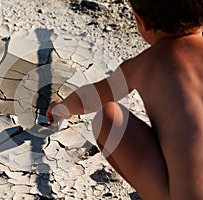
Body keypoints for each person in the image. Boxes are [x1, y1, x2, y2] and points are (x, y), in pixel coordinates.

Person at [46, 0, 203, 199]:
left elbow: (90, 98)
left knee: (107, 117)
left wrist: (62, 107)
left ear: (142, 21)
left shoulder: (143, 65)